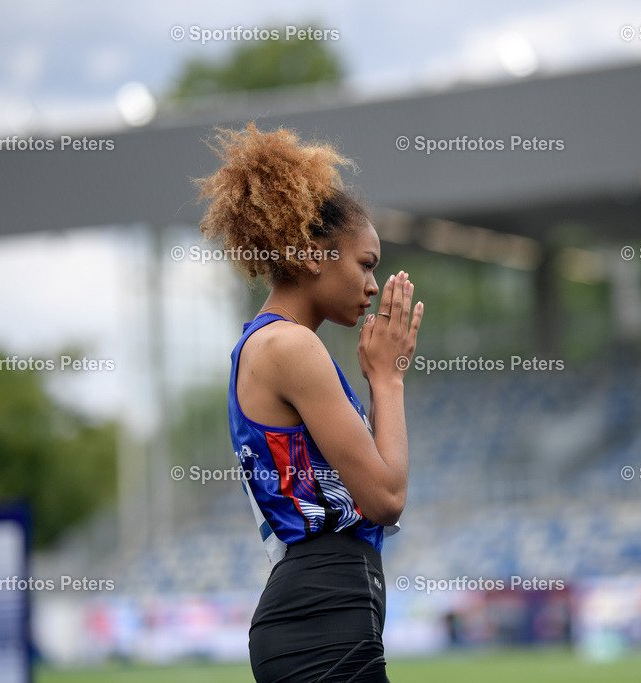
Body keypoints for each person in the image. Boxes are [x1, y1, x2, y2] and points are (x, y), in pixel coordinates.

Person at [196, 123, 423, 682]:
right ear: (317, 254)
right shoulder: (290, 346)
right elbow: (386, 496)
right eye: (365, 263)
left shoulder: (279, 343)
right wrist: (388, 380)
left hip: (323, 613)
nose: (372, 285)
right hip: (321, 616)